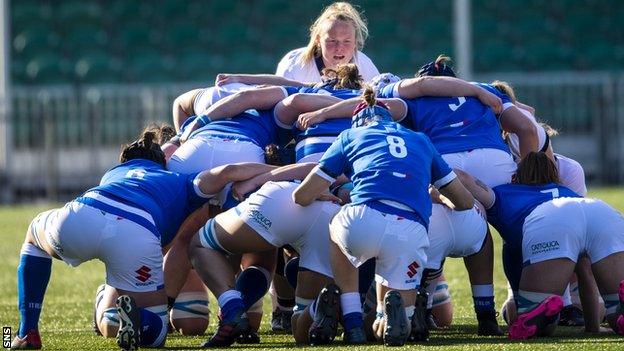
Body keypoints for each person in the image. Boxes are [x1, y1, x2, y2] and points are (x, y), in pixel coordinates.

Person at [10, 125, 275, 350]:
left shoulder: (113, 173)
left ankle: (24, 332)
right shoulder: (178, 180)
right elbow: (227, 172)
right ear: (163, 162)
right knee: (157, 332)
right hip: (136, 232)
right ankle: (140, 321)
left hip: (85, 211)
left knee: (34, 235)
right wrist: (274, 169)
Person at [293, 88, 474, 346]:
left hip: (363, 219)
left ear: (358, 121)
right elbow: (464, 201)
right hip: (411, 229)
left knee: (335, 225)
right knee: (389, 324)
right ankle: (390, 315)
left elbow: (301, 196)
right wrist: (436, 195)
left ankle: (352, 319)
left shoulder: (350, 135)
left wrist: (324, 192)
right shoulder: (420, 140)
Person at [456, 151, 624, 339]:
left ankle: (538, 309)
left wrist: (435, 168)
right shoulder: (568, 192)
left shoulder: (503, 194)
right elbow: (585, 271)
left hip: (551, 218)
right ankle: (618, 307)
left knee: (538, 325)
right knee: (615, 311)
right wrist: (592, 327)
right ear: (554, 176)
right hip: (599, 211)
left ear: (516, 176)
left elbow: (462, 177)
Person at [185, 162, 343, 347]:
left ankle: (233, 309)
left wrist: (256, 181)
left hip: (278, 198)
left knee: (200, 244)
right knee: (301, 330)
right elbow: (321, 169)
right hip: (328, 213)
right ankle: (318, 309)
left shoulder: (239, 167)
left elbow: (232, 173)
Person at [276, 2, 379, 82]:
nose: (339, 47)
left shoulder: (365, 65)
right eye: (332, 41)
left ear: (355, 42)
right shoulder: (295, 64)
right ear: (318, 40)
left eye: (347, 41)